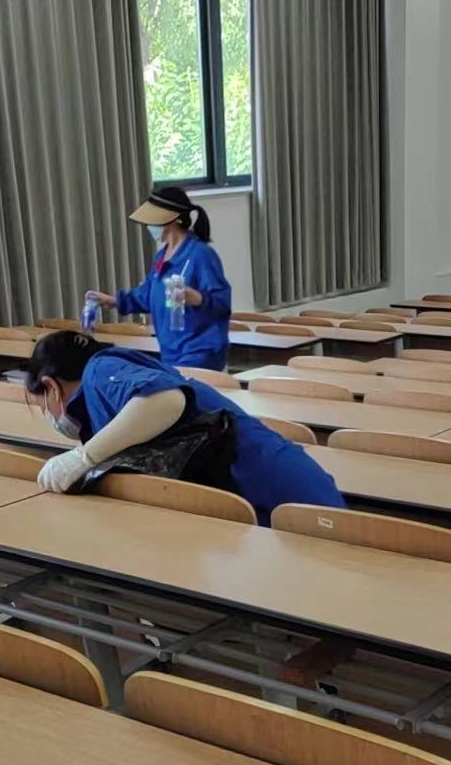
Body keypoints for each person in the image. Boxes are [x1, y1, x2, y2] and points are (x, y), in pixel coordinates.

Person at [24, 331, 345, 526]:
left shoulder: (100, 369)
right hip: (250, 482)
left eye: (44, 406)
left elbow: (166, 400)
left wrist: (84, 456)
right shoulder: (102, 384)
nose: (50, 416)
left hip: (276, 486)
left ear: (51, 387)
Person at [89, 186, 232, 371]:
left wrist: (198, 299)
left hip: (199, 351)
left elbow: (222, 304)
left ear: (170, 220)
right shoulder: (162, 255)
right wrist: (115, 300)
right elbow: (148, 294)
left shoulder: (200, 255)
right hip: (171, 349)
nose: (149, 226)